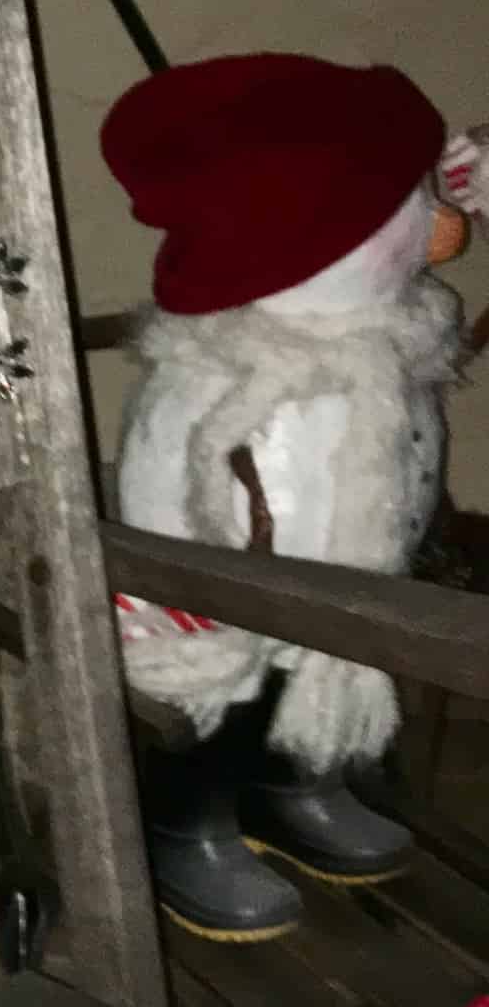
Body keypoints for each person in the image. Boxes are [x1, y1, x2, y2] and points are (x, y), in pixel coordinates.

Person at [104, 53, 481, 939]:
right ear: (320, 240)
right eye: (414, 203)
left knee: (326, 697)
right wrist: (170, 613)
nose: (447, 222)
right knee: (222, 725)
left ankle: (296, 789)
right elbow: (158, 496)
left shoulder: (385, 345)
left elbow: (406, 448)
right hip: (236, 611)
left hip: (352, 591)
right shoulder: (213, 383)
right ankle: (183, 826)